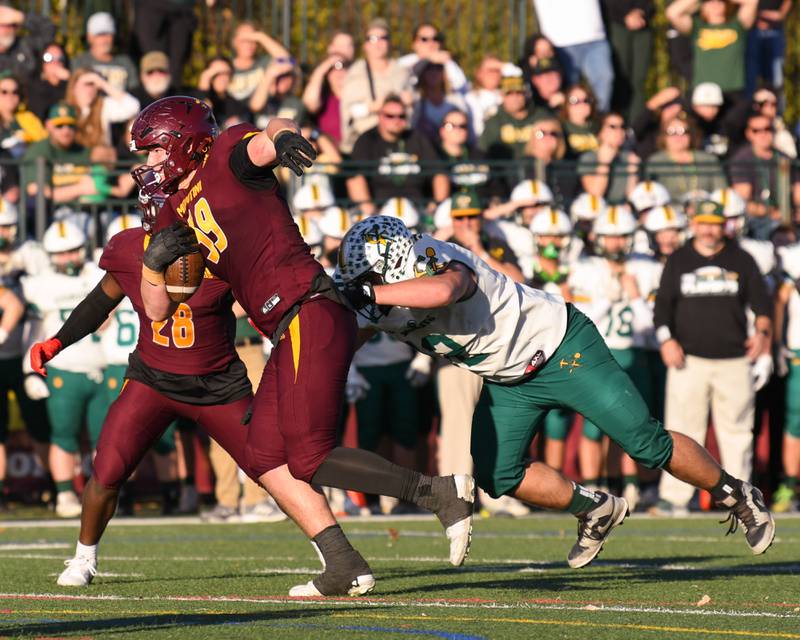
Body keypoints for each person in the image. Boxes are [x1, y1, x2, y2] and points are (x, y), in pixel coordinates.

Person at [130, 96, 475, 595]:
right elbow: (159, 309)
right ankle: (343, 563)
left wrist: (286, 136)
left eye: (157, 150)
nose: (151, 162)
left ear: (184, 143)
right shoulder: (172, 214)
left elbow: (270, 134)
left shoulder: (226, 153)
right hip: (284, 324)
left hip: (309, 307)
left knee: (309, 456)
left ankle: (440, 493)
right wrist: (150, 266)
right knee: (265, 456)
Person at [336, 214, 776, 567]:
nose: (367, 289)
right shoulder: (376, 300)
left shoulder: (430, 256)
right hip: (508, 380)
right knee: (495, 475)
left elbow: (447, 288)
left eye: (371, 279)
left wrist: (372, 293)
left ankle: (738, 493)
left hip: (562, 346)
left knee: (646, 443)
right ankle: (595, 508)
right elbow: (342, 340)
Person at [34, 196, 303, 585]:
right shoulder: (129, 249)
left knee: (272, 466)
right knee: (107, 467)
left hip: (216, 381)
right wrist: (57, 342)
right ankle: (83, 558)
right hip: (152, 379)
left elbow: (264, 302)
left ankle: (332, 551)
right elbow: (98, 303)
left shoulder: (220, 253)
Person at [653, 199, 773, 515]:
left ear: (725, 226)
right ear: (693, 225)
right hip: (688, 359)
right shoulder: (679, 259)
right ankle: (675, 497)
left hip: (734, 359)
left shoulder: (742, 259)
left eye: (715, 223)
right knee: (681, 430)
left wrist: (762, 334)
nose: (709, 230)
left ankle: (741, 498)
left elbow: (762, 305)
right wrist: (666, 340)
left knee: (736, 432)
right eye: (703, 223)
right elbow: (662, 307)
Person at [22, 220, 104, 518]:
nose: (68, 258)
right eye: (62, 253)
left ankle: (104, 493)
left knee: (104, 439)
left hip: (101, 365)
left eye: (73, 251)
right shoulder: (41, 284)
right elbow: (34, 331)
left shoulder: (98, 274)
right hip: (64, 368)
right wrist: (30, 371)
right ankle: (65, 493)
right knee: (63, 436)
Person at [347, 94, 447, 215]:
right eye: (390, 116)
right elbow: (355, 179)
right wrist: (371, 212)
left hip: (417, 211)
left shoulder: (418, 138)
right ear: (380, 116)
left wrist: (434, 208)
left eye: (402, 116)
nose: (396, 120)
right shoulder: (367, 140)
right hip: (378, 211)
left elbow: (440, 174)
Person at [340, 18, 411, 153]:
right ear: (365, 45)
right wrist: (372, 107)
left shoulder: (401, 72)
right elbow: (349, 113)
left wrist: (409, 101)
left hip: (398, 140)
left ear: (389, 43)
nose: (377, 43)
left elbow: (411, 110)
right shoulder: (356, 72)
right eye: (372, 38)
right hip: (364, 142)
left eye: (382, 38)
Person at [531, 0, 614, 111]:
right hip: (560, 40)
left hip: (595, 36)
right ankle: (569, 123)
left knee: (604, 80)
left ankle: (597, 121)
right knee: (569, 90)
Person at [666, 0, 758, 96]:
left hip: (733, 89)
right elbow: (672, 13)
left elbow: (752, 2)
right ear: (702, 6)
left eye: (719, 1)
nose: (715, 4)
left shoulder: (737, 25)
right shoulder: (697, 27)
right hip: (704, 91)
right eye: (709, 1)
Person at [645, 111, 727, 202]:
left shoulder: (708, 160)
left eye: (683, 131)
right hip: (669, 212)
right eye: (672, 132)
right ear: (664, 136)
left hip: (705, 212)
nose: (678, 136)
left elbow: (721, 191)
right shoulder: (656, 162)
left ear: (691, 135)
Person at [65, 69, 140, 152]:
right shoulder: (66, 108)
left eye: (93, 84)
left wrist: (102, 83)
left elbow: (133, 107)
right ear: (74, 87)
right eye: (86, 84)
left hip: (101, 161)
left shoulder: (103, 105)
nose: (90, 89)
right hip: (75, 158)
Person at [606, 0, 655, 122]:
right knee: (620, 79)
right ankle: (617, 124)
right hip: (616, 22)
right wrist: (624, 16)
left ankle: (634, 127)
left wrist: (640, 11)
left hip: (642, 23)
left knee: (639, 81)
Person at [578, 112, 640, 203]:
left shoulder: (630, 158)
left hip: (622, 212)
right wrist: (604, 163)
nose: (619, 131)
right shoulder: (589, 158)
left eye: (622, 126)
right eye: (613, 127)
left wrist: (632, 173)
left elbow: (632, 199)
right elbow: (595, 195)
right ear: (600, 132)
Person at [72, 12, 138, 93]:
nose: (105, 39)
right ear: (89, 37)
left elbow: (134, 94)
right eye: (100, 34)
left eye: (108, 34)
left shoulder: (126, 62)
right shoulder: (79, 62)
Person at [228, 22, 291, 104]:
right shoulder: (227, 66)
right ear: (235, 41)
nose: (249, 45)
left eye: (253, 40)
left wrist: (261, 36)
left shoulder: (263, 63)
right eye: (245, 40)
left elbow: (288, 62)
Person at [398, 23, 468, 95]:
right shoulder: (404, 63)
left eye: (435, 39)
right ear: (414, 44)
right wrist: (427, 60)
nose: (431, 43)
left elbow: (461, 88)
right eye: (424, 39)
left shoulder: (447, 62)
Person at [302, 53, 350, 146]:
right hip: (328, 153)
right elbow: (309, 103)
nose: (339, 72)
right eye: (332, 68)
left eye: (343, 67)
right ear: (326, 73)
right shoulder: (324, 98)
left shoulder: (359, 96)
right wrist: (322, 69)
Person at [745, 0, 791, 95]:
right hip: (752, 32)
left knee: (776, 74)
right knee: (752, 74)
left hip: (775, 30)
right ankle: (752, 106)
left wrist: (781, 14)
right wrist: (756, 16)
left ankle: (776, 106)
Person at [248, 57, 305, 131]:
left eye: (287, 75)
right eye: (279, 76)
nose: (283, 80)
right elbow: (255, 106)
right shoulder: (262, 97)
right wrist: (270, 75)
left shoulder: (296, 103)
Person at [0, 4, 55, 79]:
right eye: (2, 25)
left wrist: (21, 17)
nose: (6, 30)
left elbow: (48, 30)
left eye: (11, 25)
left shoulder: (25, 45)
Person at [0, 73, 46, 158]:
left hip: (28, 167)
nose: (10, 96)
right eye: (4, 92)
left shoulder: (29, 118)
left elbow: (44, 145)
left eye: (15, 92)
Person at [26, 43, 70, 122]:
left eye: (60, 59)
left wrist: (71, 80)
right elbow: (40, 114)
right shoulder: (33, 85)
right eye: (48, 58)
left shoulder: (70, 83)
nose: (55, 63)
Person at [464, 55, 503, 138]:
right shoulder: (471, 98)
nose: (495, 74)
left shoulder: (507, 95)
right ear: (479, 73)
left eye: (498, 70)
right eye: (490, 70)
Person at [560, 83, 599, 159]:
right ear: (566, 104)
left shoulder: (600, 127)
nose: (582, 104)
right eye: (575, 100)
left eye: (586, 100)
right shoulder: (560, 128)